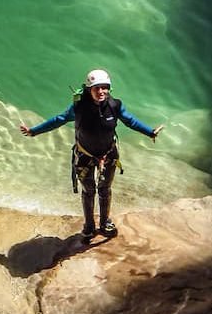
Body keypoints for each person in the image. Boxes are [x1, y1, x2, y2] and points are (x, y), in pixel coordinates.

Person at [20, 68, 163, 239]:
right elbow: (58, 120)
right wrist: (34, 131)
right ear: (89, 89)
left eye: (105, 87)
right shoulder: (79, 107)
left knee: (105, 189)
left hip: (109, 154)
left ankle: (104, 222)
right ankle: (89, 226)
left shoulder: (115, 105)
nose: (101, 91)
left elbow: (130, 121)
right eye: (97, 88)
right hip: (84, 156)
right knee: (88, 191)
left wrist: (150, 132)